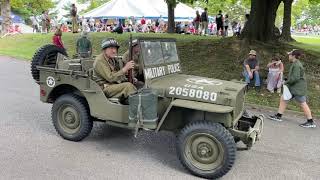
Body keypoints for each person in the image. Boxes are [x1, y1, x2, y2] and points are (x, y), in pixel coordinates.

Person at [268, 49, 316, 128]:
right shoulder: (295, 63)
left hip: (297, 89)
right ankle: (278, 116)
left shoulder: (297, 65)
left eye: (290, 55)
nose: (288, 56)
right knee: (283, 99)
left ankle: (310, 121)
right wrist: (287, 80)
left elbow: (295, 78)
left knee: (303, 103)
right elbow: (294, 77)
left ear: (293, 56)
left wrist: (286, 82)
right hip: (293, 87)